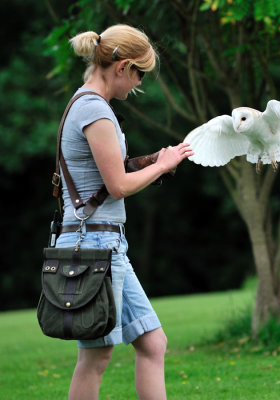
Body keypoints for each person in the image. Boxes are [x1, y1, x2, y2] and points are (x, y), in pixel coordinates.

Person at [54, 24, 193, 400]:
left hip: (105, 242)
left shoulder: (90, 106)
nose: (138, 84)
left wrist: (158, 160)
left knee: (152, 342)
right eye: (139, 74)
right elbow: (118, 186)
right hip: (94, 244)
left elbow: (108, 175)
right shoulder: (94, 111)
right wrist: (162, 166)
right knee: (96, 355)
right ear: (122, 67)